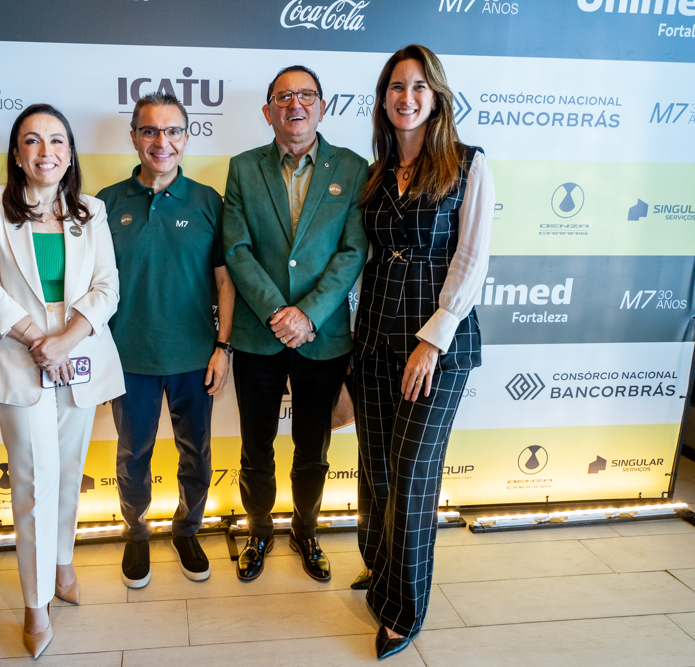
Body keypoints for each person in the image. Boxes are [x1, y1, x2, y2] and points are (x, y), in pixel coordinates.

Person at [0, 104, 124, 659]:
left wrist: (65, 339)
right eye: (32, 140)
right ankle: (35, 604)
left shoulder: (92, 210)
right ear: (16, 152)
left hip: (77, 352)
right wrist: (37, 339)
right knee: (32, 479)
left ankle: (62, 563)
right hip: (15, 352)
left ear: (70, 153)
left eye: (56, 141)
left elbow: (106, 287)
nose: (45, 151)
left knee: (70, 468)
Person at [351, 45, 493, 660]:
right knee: (376, 470)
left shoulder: (468, 164)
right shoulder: (377, 171)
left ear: (436, 97)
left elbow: (471, 259)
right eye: (395, 87)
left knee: (411, 477)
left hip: (436, 347)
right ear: (383, 99)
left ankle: (403, 610)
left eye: (417, 86)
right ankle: (380, 570)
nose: (405, 97)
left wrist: (431, 341)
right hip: (373, 339)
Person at [222, 66, 367, 582]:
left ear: (322, 107)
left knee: (313, 450)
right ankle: (259, 530)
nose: (295, 105)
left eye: (306, 95)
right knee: (254, 448)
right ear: (268, 112)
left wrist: (308, 314)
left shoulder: (353, 168)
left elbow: (352, 252)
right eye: (283, 97)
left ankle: (306, 531)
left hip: (322, 337)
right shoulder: (243, 168)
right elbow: (237, 250)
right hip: (258, 335)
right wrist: (276, 312)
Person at [97, 92, 236, 589]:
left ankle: (187, 530)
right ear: (134, 136)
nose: (162, 141)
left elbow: (225, 282)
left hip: (195, 357)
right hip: (127, 356)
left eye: (173, 130)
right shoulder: (105, 203)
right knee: (133, 455)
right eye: (150, 130)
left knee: (196, 453)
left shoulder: (208, 201)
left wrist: (223, 348)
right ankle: (136, 532)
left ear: (186, 137)